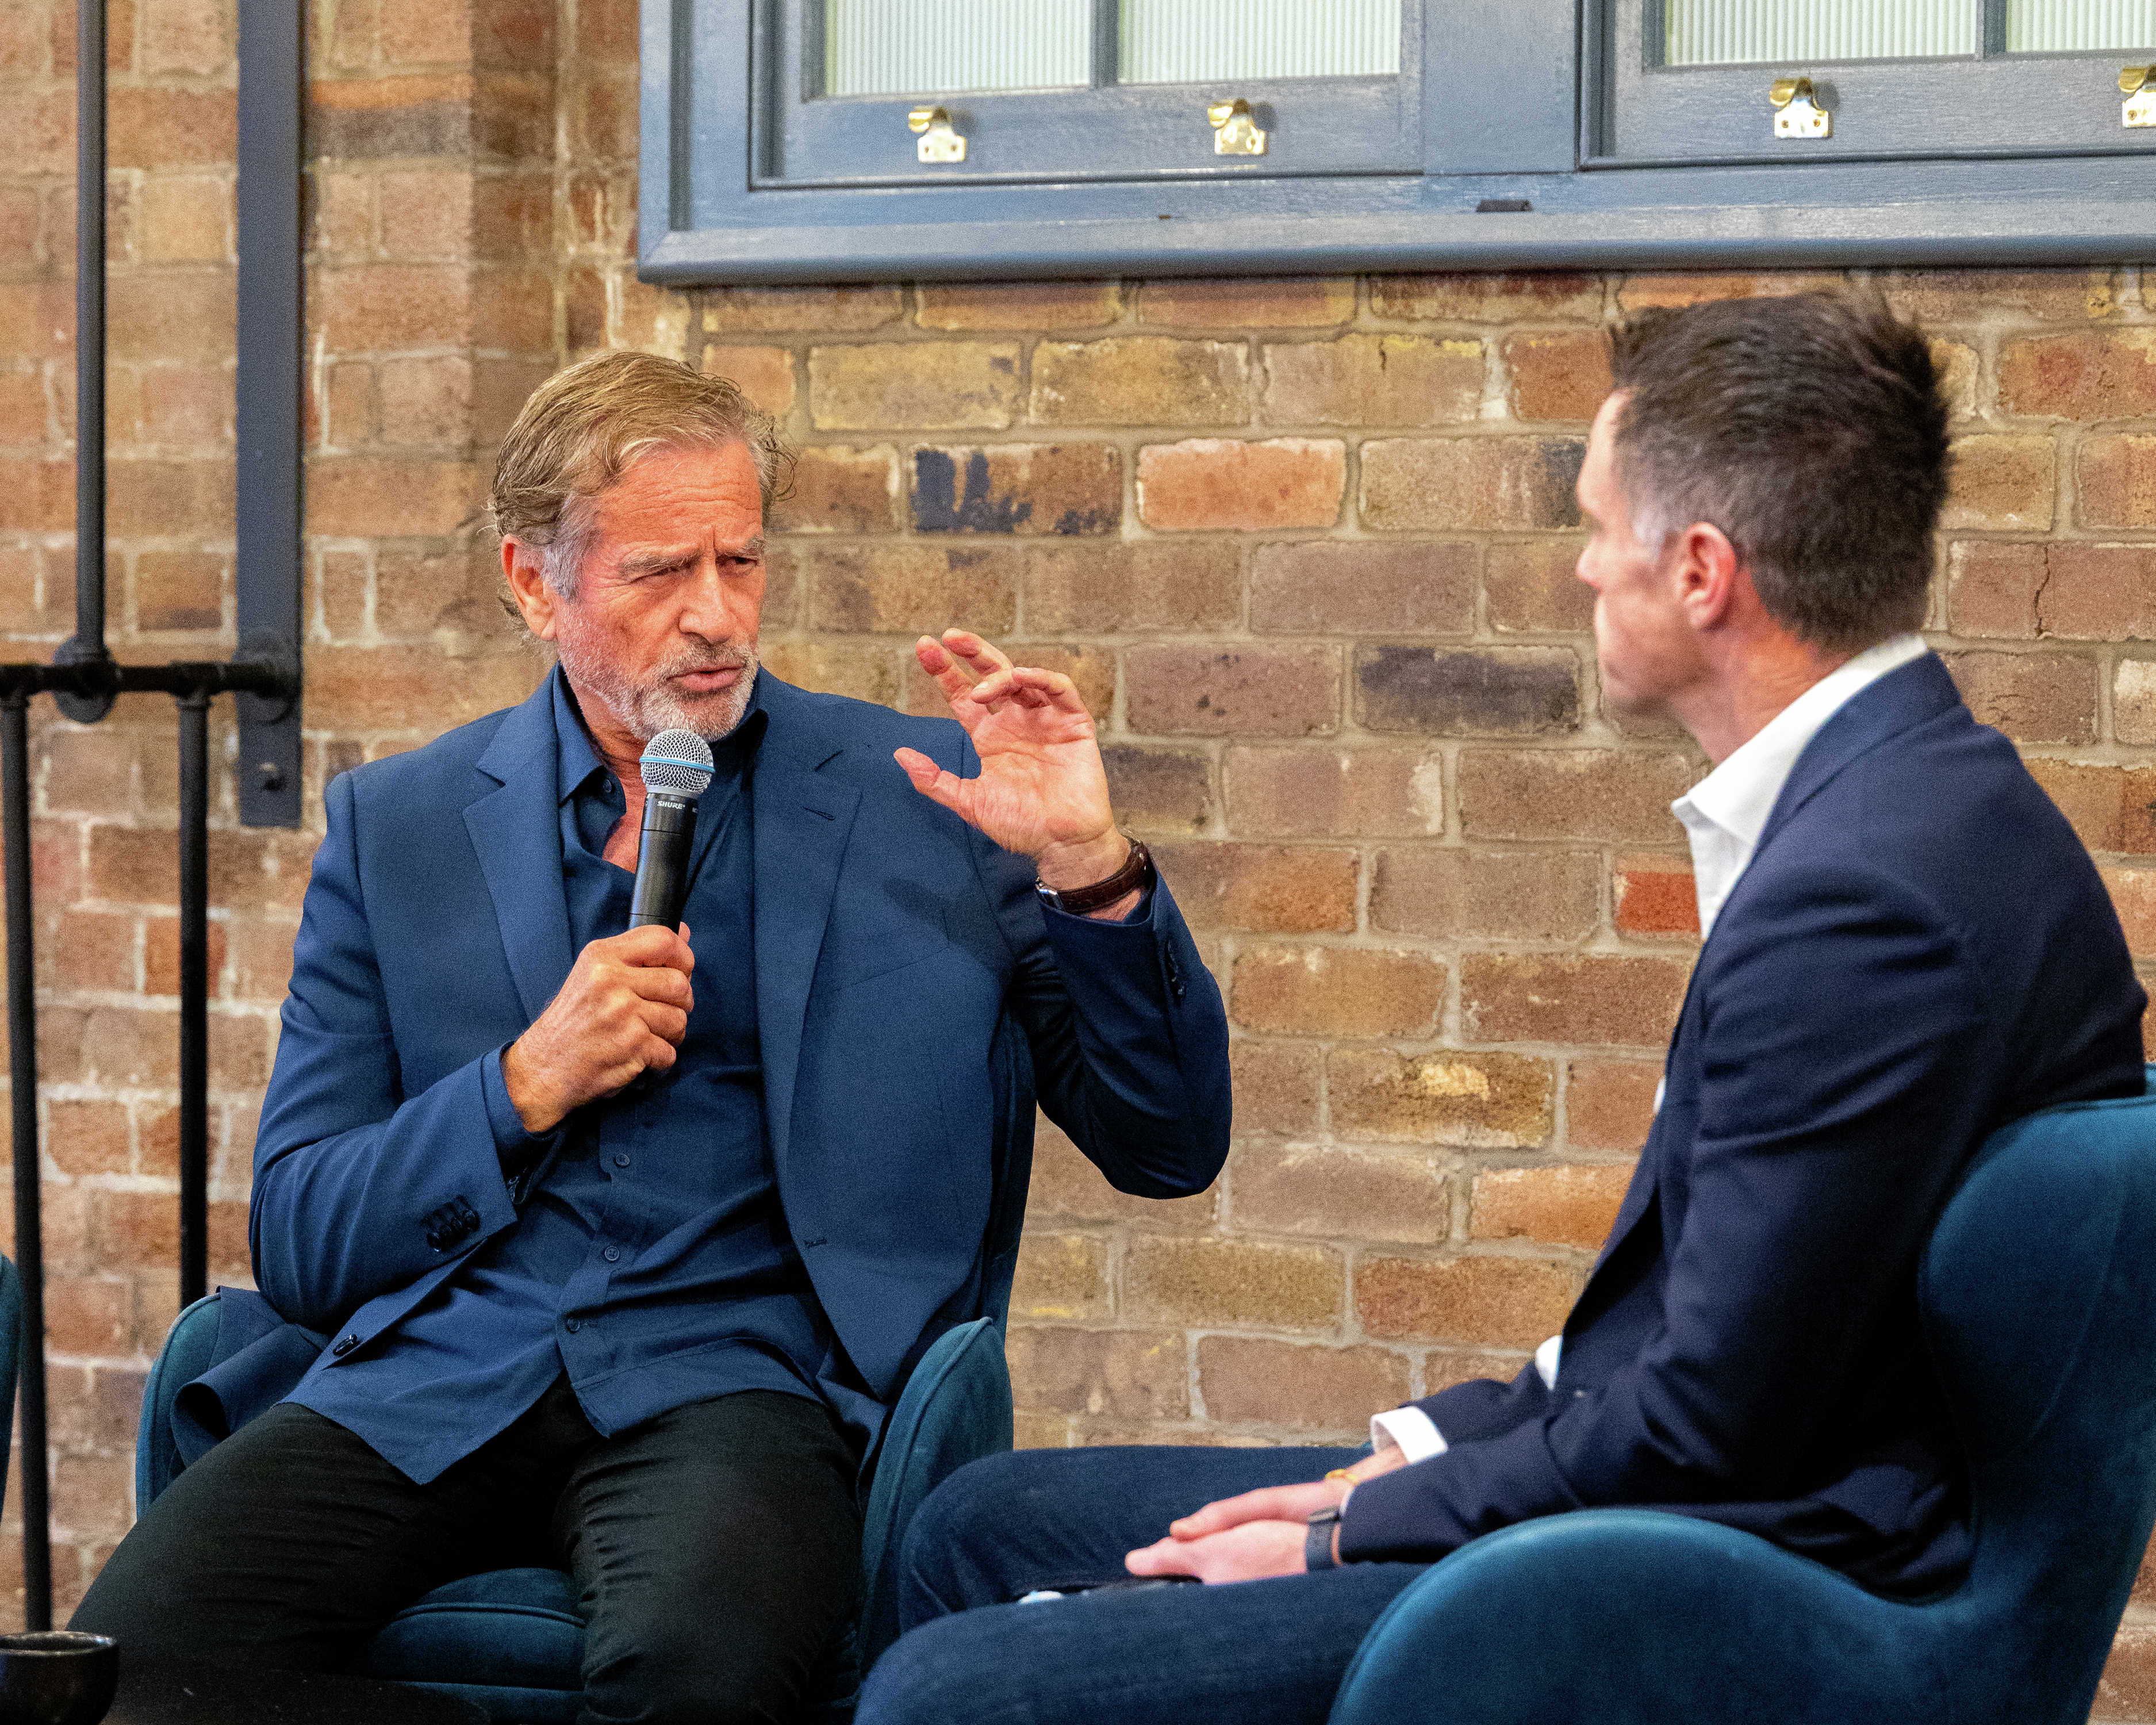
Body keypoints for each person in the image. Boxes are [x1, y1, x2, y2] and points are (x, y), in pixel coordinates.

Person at [854, 291, 2149, 1725]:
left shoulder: (1869, 901)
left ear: (1703, 572)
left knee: (943, 1694)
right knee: (978, 1524)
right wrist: (1411, 1450)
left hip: (1736, 1587)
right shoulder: (1909, 804)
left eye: (1601, 529)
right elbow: (1685, 1344)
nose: (1586, 570)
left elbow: (1710, 1424)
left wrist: (1344, 1527)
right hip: (1679, 1495)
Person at [71, 351, 1232, 1725]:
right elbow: (307, 1236)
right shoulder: (405, 825)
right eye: (661, 573)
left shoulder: (925, 799)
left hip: (741, 1388)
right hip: (442, 1373)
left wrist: (1092, 870)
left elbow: (1167, 1149)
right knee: (115, 1671)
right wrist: (520, 1085)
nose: (716, 617)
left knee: (693, 1675)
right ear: (532, 582)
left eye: (741, 563)